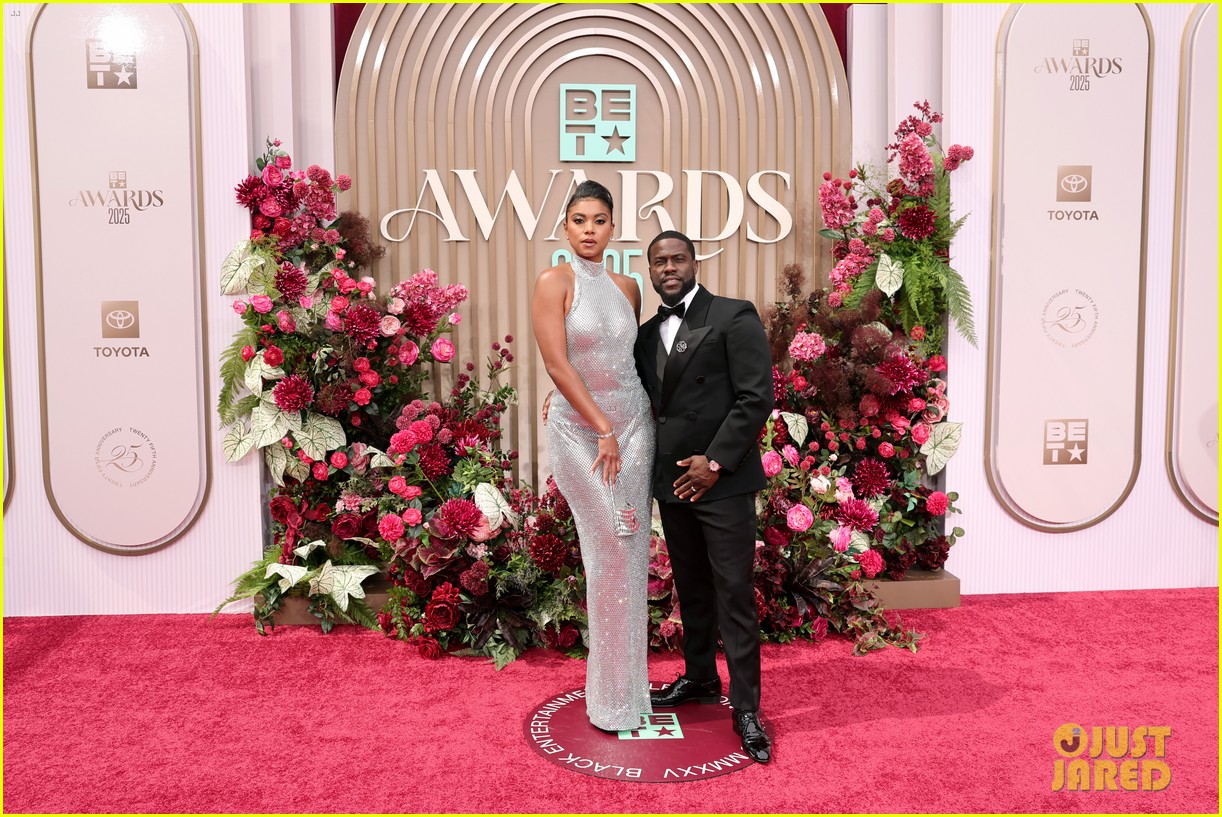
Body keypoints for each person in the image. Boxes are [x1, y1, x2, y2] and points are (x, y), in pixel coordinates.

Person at [633, 230, 775, 763]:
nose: (668, 268)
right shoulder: (647, 335)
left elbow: (756, 396)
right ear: (650, 271)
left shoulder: (733, 316)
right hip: (674, 484)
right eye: (659, 262)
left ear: (695, 262)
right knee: (691, 589)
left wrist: (714, 462)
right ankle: (698, 679)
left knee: (733, 593)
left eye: (677, 259)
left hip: (722, 482)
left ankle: (745, 707)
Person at [531, 181, 654, 732]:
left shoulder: (628, 287)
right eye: (579, 219)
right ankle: (608, 700)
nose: (588, 229)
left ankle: (629, 696)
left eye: (599, 220)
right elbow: (558, 364)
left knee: (630, 552)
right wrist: (596, 421)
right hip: (585, 434)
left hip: (634, 427)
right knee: (609, 542)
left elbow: (626, 362)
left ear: (612, 227)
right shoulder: (552, 281)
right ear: (565, 225)